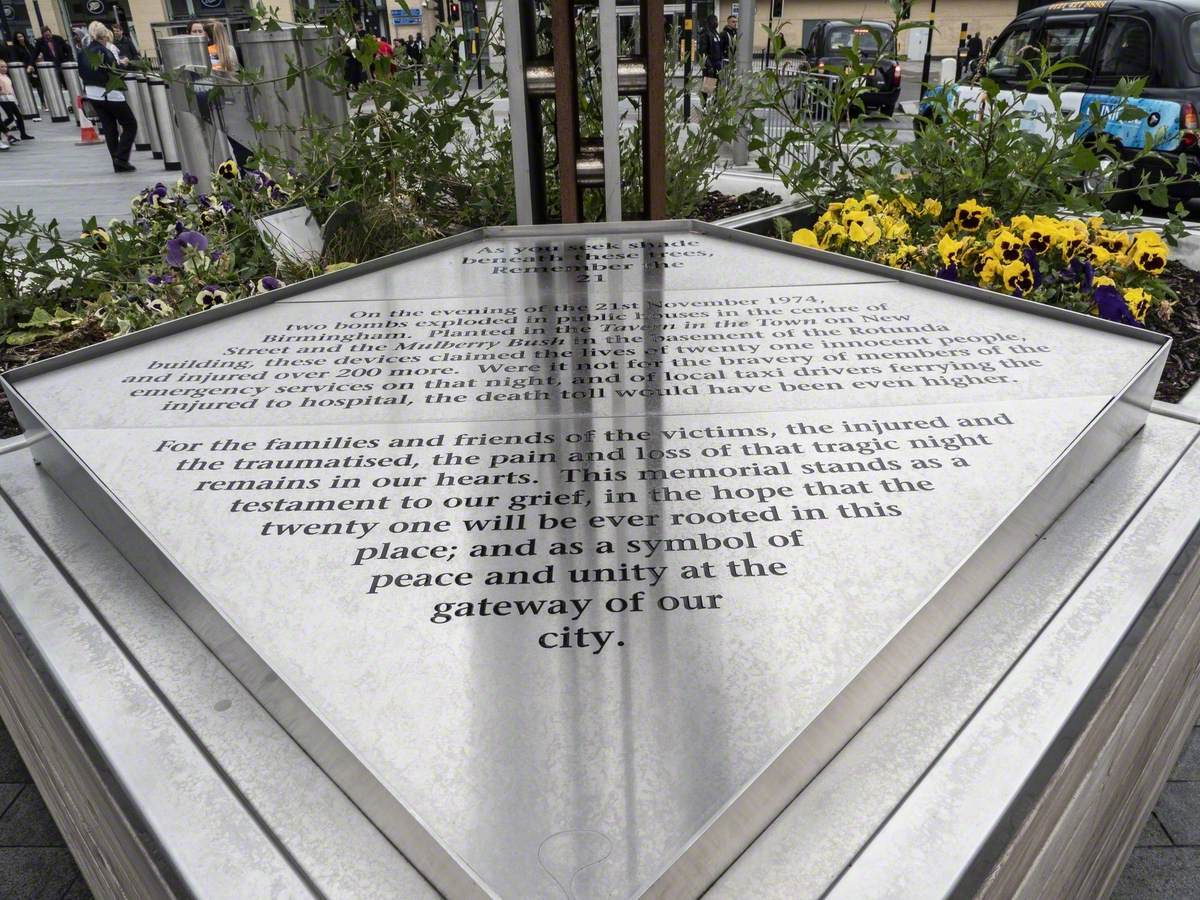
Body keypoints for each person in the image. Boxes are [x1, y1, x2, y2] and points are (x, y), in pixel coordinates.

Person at [78, 22, 136, 172]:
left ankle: (117, 162)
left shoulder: (83, 52)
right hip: (110, 93)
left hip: (92, 94)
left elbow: (82, 72)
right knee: (130, 124)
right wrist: (123, 64)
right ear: (104, 35)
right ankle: (121, 158)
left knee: (109, 127)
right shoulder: (105, 51)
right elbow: (114, 72)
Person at [0, 59, 34, 148]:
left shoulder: (6, 76)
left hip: (10, 98)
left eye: (5, 66)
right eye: (2, 67)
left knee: (18, 116)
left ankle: (23, 134)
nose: (4, 68)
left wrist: (15, 98)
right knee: (11, 118)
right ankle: (2, 129)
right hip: (3, 99)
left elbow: (10, 88)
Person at [697, 15, 723, 106]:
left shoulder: (716, 33)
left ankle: (715, 105)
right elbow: (702, 51)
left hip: (718, 64)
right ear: (710, 22)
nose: (717, 22)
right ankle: (704, 107)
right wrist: (708, 66)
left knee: (717, 87)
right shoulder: (706, 34)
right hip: (710, 65)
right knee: (708, 88)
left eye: (717, 20)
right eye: (715, 20)